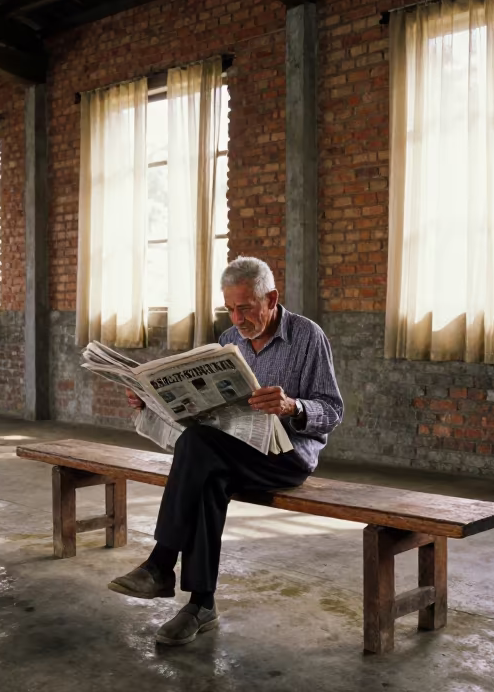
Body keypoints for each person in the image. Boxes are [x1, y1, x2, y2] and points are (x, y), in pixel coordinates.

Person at [108, 256, 344, 646]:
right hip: (231, 449)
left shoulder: (307, 337)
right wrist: (152, 401)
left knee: (198, 446)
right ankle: (201, 605)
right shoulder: (229, 341)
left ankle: (161, 562)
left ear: (271, 298)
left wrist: (293, 407)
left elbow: (333, 411)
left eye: (246, 307)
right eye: (230, 308)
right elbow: (205, 409)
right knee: (209, 474)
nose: (237, 318)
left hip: (287, 457)